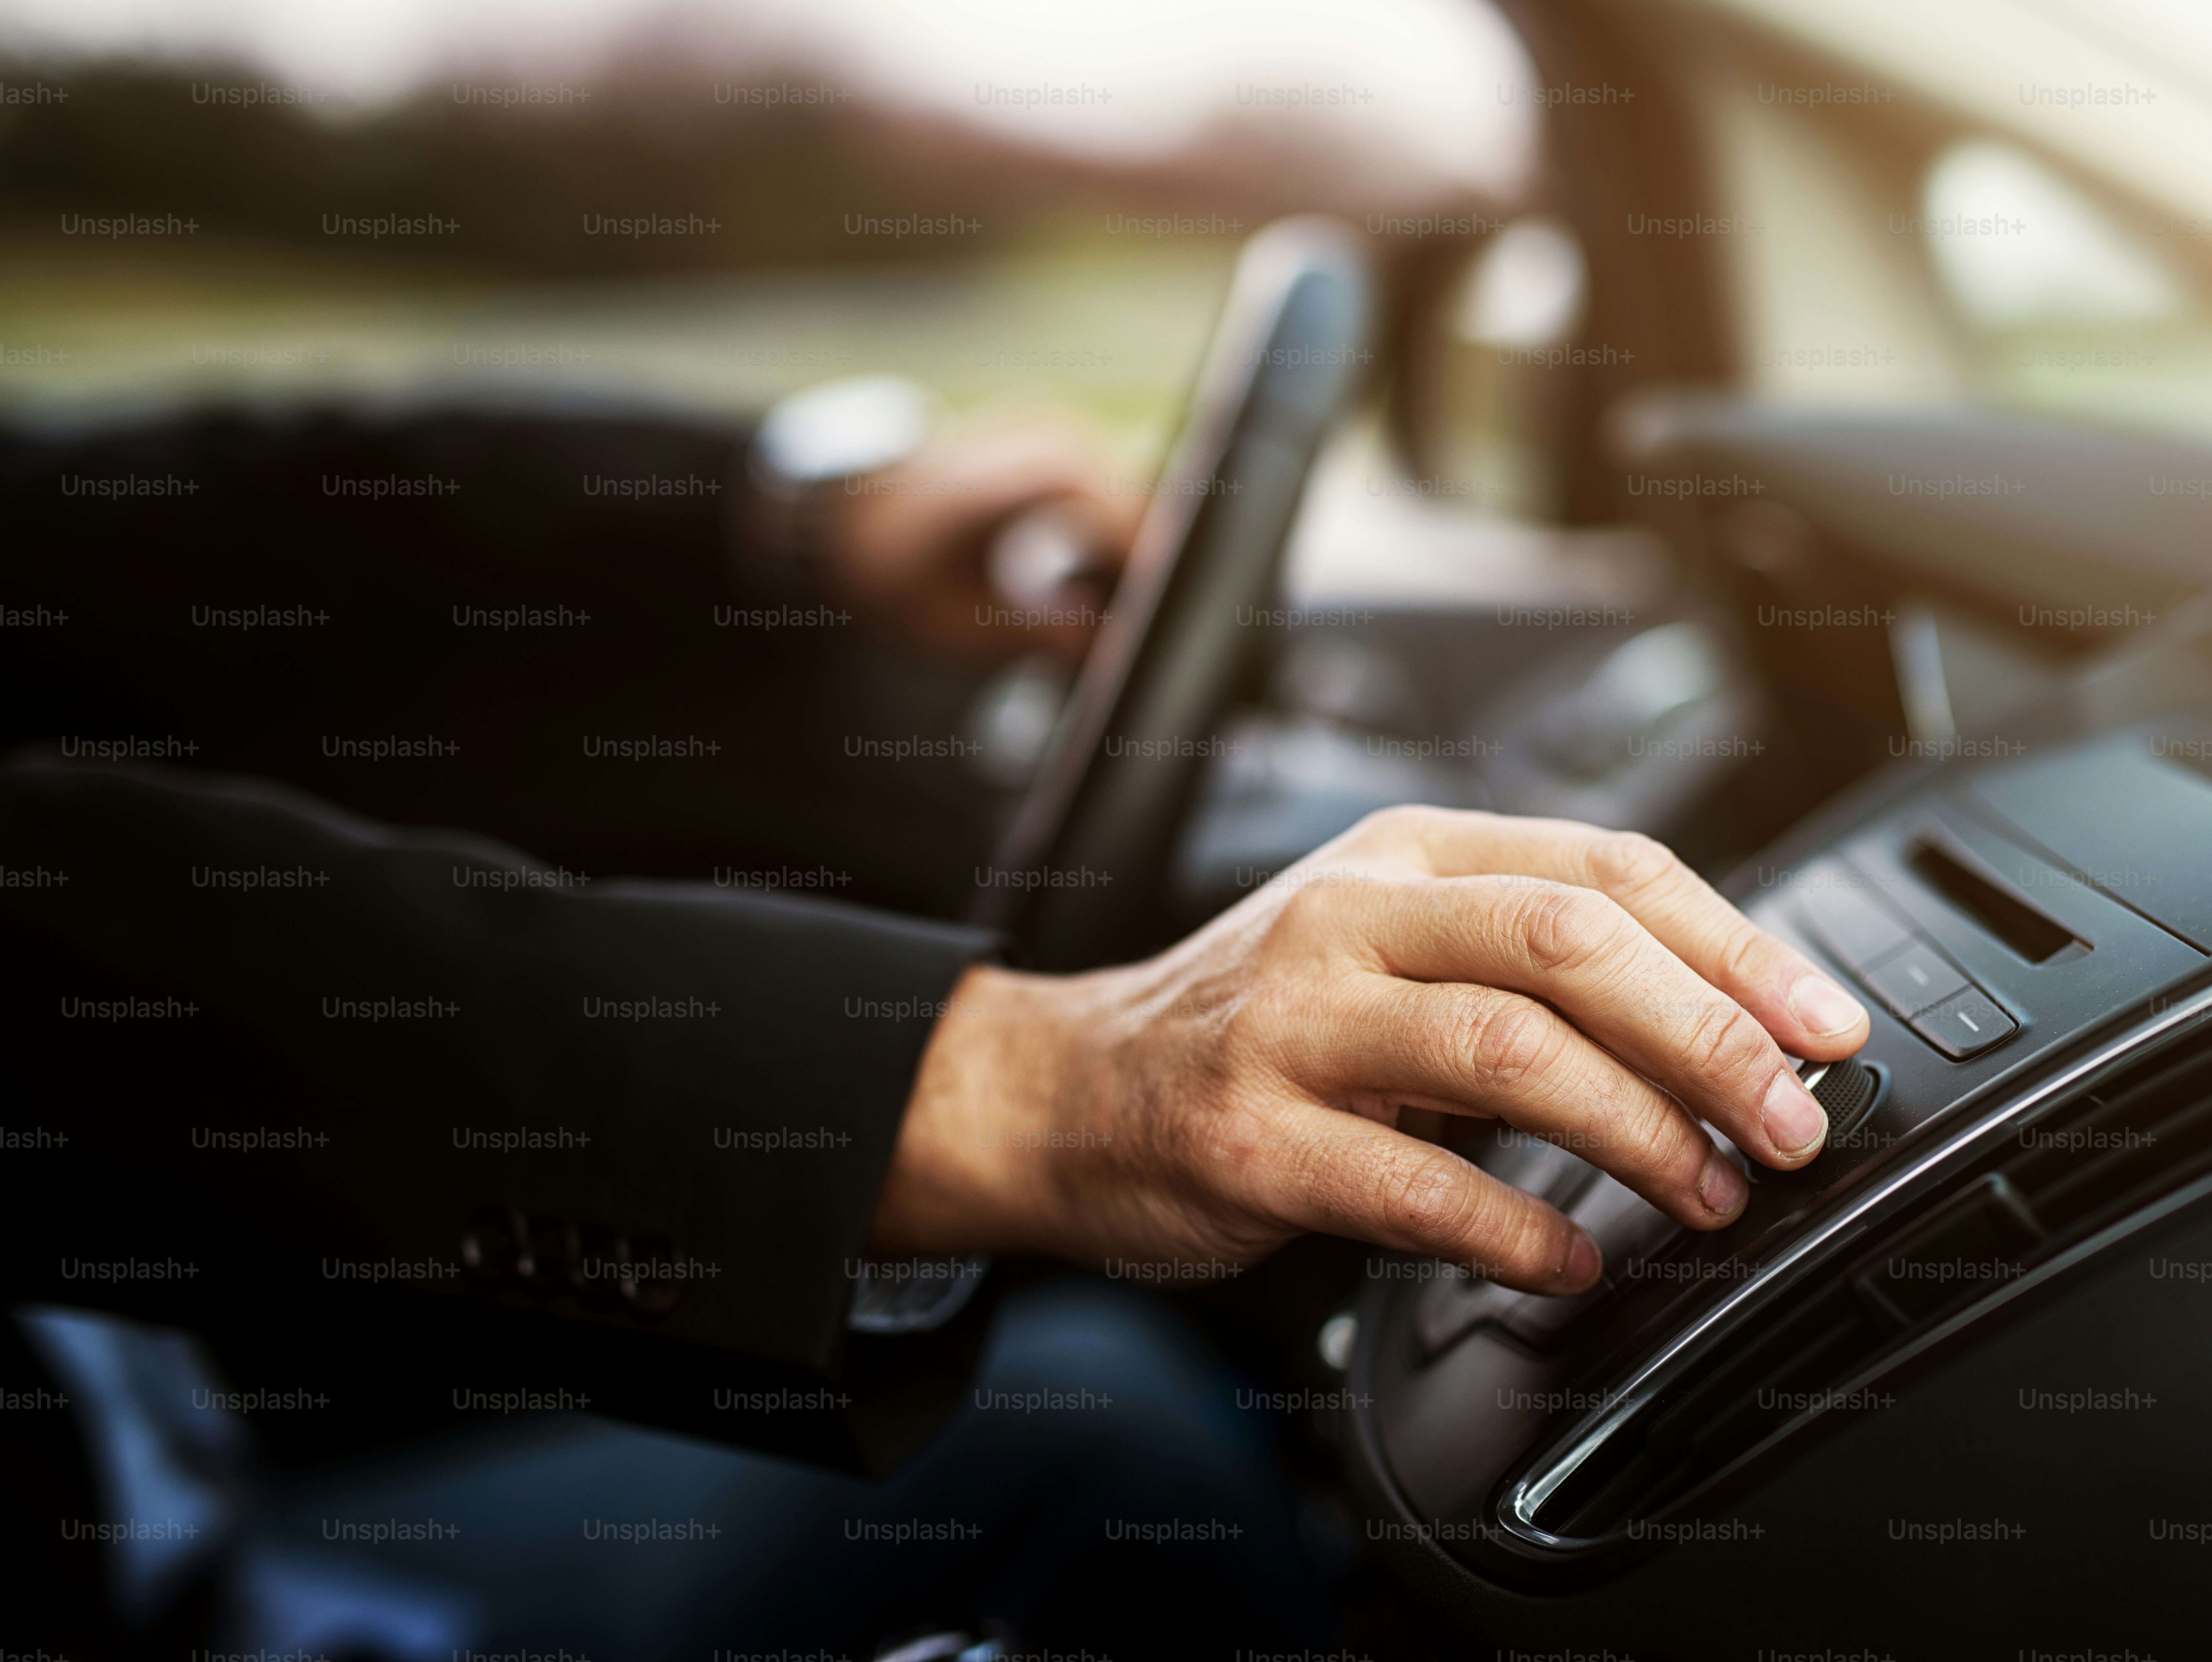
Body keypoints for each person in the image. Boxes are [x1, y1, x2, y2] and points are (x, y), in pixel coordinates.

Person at [0, 392, 1867, 1657]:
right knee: (1105, 1435)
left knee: (1094, 1404)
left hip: (161, 1457)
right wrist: (1012, 1083)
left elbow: (139, 509)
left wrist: (783, 500)